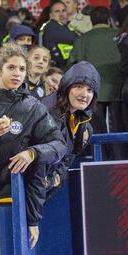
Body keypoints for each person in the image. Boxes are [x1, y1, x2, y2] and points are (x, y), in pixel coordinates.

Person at [0, 43, 66, 249]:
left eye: (22, 69)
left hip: (8, 198)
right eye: (11, 68)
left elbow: (59, 145)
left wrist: (33, 153)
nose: (17, 73)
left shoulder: (33, 108)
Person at [67, 6, 123, 159]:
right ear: (109, 20)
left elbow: (72, 65)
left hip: (91, 92)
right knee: (118, 132)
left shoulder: (83, 39)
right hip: (118, 90)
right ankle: (121, 163)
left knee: (95, 131)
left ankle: (100, 163)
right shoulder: (119, 36)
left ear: (91, 20)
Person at [46, 61, 100, 196]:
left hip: (47, 187)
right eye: (78, 86)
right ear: (66, 87)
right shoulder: (46, 110)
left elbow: (67, 161)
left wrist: (55, 178)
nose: (84, 94)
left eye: (90, 90)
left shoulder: (85, 128)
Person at [41, 1, 78, 69]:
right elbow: (74, 38)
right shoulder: (51, 27)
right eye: (57, 11)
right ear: (51, 15)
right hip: (57, 69)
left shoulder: (67, 27)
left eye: (63, 11)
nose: (61, 14)